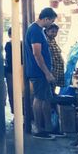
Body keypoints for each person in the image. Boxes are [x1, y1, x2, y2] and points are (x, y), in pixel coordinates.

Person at [24, 7, 58, 138]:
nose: (51, 24)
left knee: (45, 98)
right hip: (38, 72)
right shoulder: (35, 31)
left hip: (41, 71)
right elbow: (37, 54)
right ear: (46, 19)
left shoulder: (38, 30)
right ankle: (39, 129)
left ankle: (47, 128)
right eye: (51, 21)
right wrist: (47, 73)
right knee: (39, 98)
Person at [45, 24, 64, 91]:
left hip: (56, 69)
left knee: (53, 88)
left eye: (56, 32)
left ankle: (53, 98)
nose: (54, 34)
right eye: (52, 32)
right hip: (51, 69)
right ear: (47, 31)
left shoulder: (52, 40)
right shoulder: (45, 40)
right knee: (49, 89)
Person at [3, 28, 14, 115]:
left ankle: (14, 111)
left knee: (11, 92)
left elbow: (7, 59)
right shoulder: (22, 44)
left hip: (10, 71)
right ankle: (17, 112)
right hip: (19, 70)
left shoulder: (8, 45)